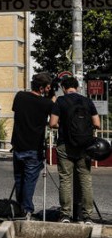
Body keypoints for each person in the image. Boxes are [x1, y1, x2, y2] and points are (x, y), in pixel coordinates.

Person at [49, 76, 100, 224]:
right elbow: (97, 124)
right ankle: (87, 216)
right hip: (85, 146)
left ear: (64, 88)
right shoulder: (87, 101)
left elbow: (52, 123)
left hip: (65, 145)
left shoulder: (60, 101)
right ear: (77, 87)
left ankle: (65, 215)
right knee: (85, 179)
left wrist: (63, 126)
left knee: (65, 179)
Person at [10, 73, 54, 220]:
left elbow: (17, 110)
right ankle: (26, 209)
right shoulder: (47, 104)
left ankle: (19, 208)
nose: (48, 89)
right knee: (29, 180)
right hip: (34, 147)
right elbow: (54, 115)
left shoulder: (20, 96)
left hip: (18, 145)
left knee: (19, 179)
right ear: (42, 88)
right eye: (47, 87)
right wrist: (50, 97)